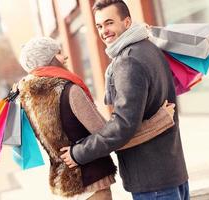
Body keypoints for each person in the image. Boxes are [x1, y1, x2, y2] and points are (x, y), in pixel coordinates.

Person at [17, 37, 176, 200]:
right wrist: (160, 120)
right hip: (91, 186)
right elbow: (113, 137)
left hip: (64, 187)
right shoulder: (70, 91)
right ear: (50, 59)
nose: (65, 56)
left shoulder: (27, 99)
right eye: (58, 52)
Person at [60, 0, 189, 199]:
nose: (104, 31)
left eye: (109, 23)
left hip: (152, 181)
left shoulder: (128, 61)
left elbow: (123, 126)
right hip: (171, 173)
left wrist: (78, 153)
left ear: (127, 22)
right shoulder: (149, 48)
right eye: (99, 26)